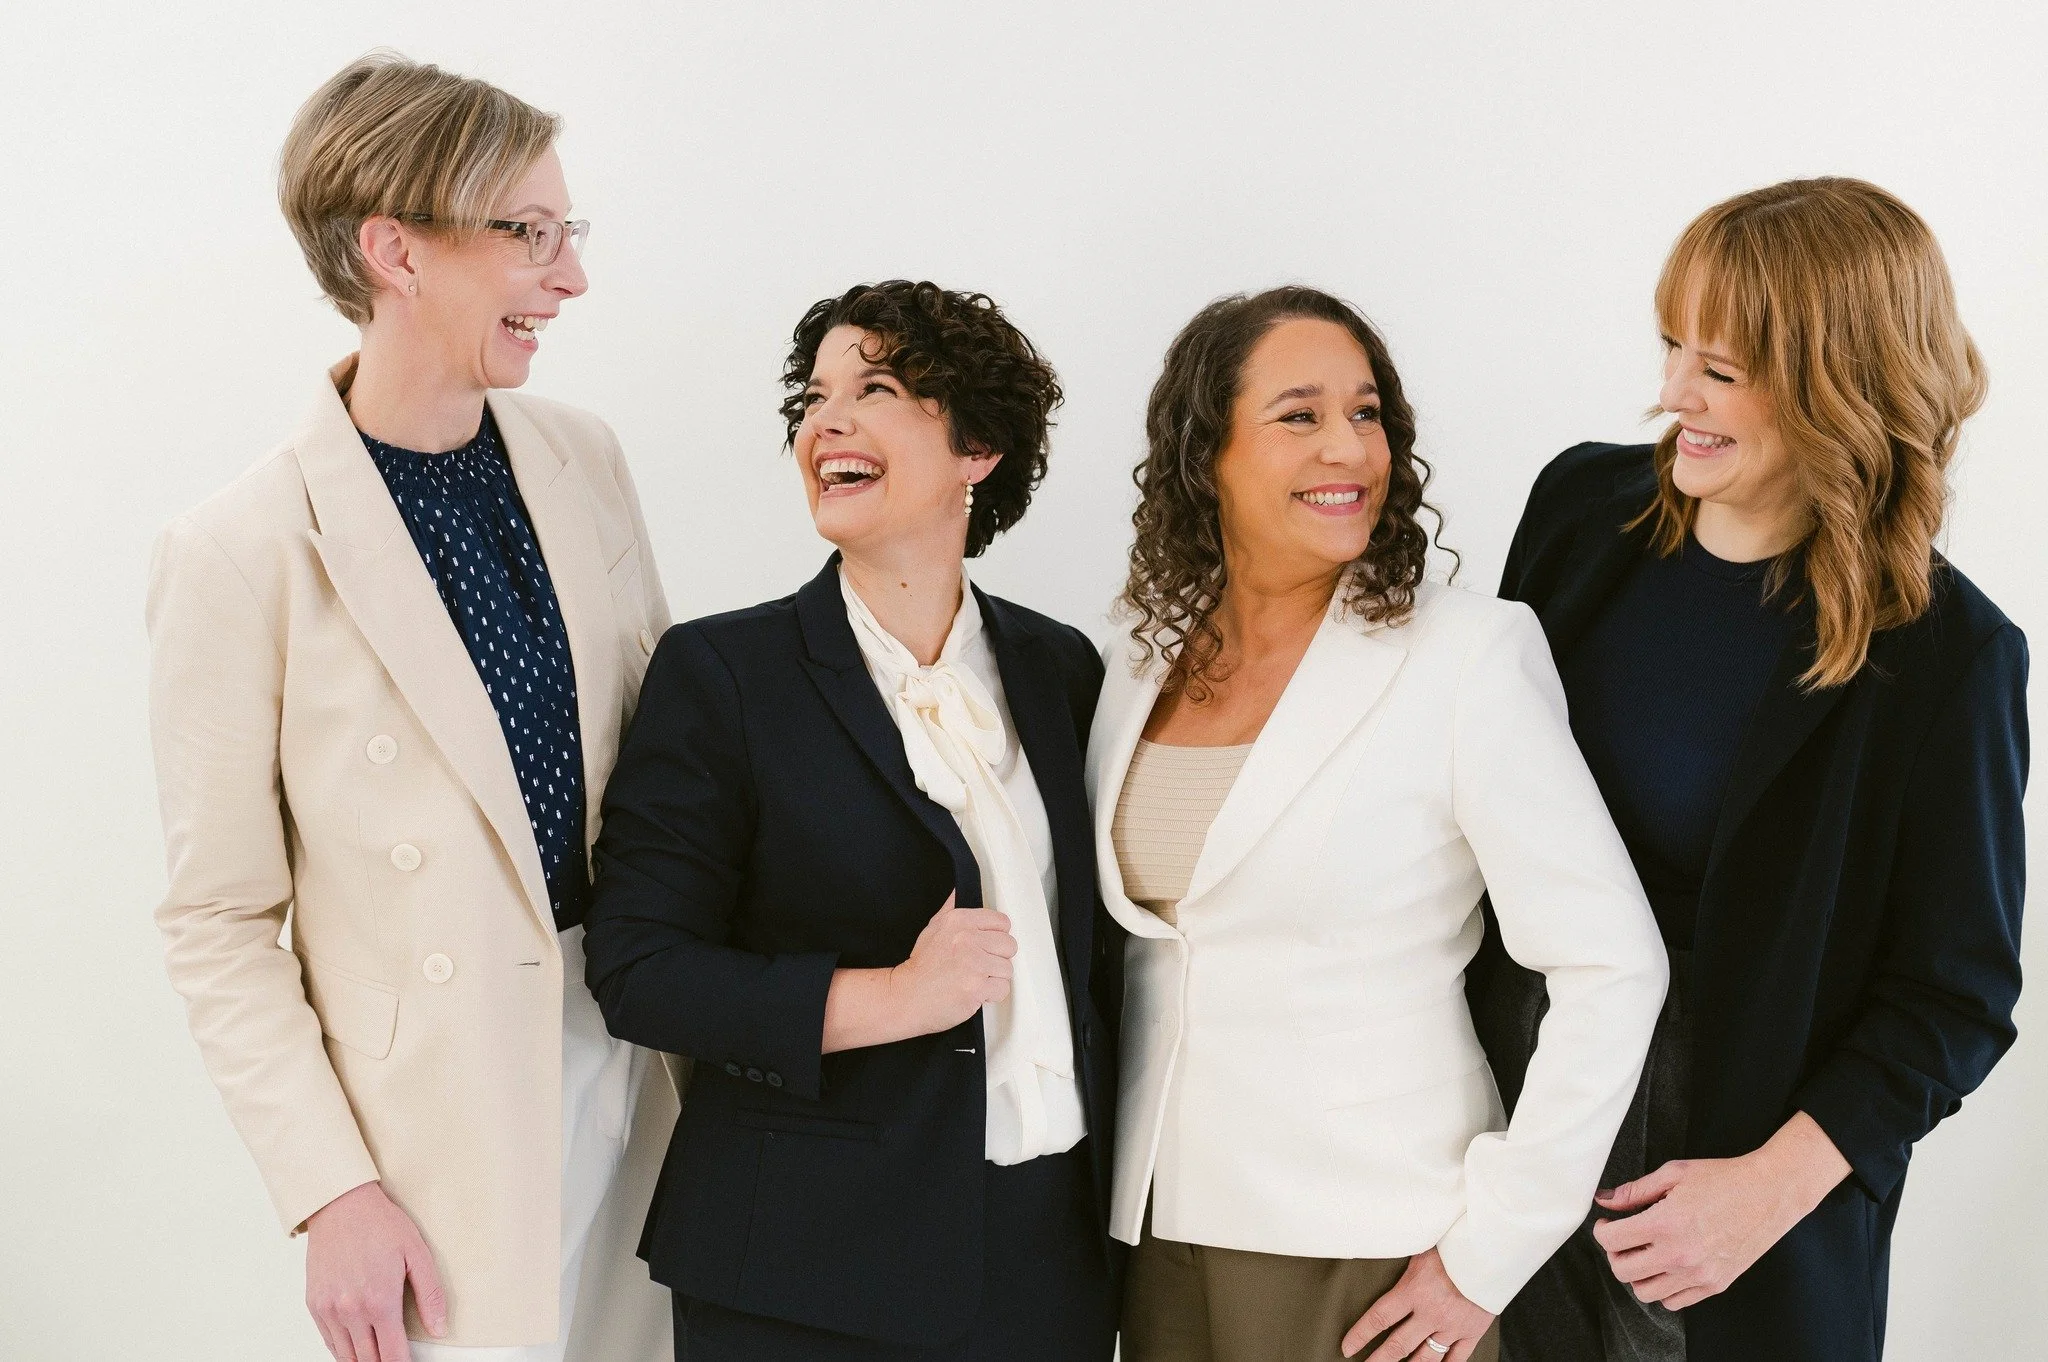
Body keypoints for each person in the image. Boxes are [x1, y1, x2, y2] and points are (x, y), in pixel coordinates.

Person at [147, 52, 676, 1362]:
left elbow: (671, 763)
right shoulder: (242, 549)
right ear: (397, 250)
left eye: (572, 234)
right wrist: (331, 1188)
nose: (570, 277)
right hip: (435, 1126)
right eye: (529, 234)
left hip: (651, 1056)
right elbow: (216, 919)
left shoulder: (585, 458)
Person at [1475, 177, 2029, 1362]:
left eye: (1717, 371)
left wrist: (1768, 1191)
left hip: (1712, 1206)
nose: (1671, 395)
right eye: (1671, 346)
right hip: (1506, 1139)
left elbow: (1955, 996)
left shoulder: (1948, 659)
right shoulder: (1579, 509)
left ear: (1835, 389)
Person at [1093, 285, 1668, 1362]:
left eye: (1366, 415)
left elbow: (1610, 965)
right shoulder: (1135, 654)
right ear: (1201, 450)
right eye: (1299, 415)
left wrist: (1490, 1250)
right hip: (1158, 1228)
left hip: (1368, 1241)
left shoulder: (1464, 655)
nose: (1348, 449)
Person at [583, 281, 1123, 1361]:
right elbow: (637, 967)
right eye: (814, 397)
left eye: (875, 389)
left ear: (978, 449)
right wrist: (891, 997)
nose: (825, 422)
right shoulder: (723, 672)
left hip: (1045, 1254)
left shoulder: (1060, 667)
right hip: (803, 1266)